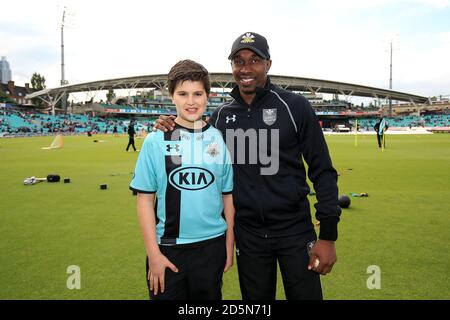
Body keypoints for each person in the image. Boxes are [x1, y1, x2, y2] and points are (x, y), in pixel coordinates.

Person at [154, 32, 340, 300]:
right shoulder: (221, 116)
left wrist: (328, 235)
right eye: (238, 61)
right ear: (232, 67)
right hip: (248, 235)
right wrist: (167, 124)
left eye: (254, 60)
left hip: (295, 230)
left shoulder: (295, 106)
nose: (246, 68)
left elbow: (322, 170)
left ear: (269, 64)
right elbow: (191, 137)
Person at [129, 60, 235, 300]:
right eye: (183, 94)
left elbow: (227, 196)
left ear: (208, 96)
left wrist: (229, 244)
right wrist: (153, 254)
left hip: (212, 246)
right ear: (172, 96)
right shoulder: (155, 141)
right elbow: (145, 200)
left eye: (198, 93)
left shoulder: (218, 139)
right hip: (168, 249)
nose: (191, 101)